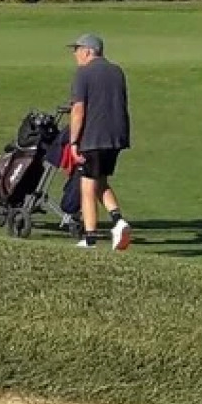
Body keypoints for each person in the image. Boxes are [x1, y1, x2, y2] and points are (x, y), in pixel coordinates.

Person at [65, 33, 132, 250]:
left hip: (93, 137)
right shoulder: (117, 71)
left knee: (87, 185)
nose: (75, 55)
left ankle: (90, 238)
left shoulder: (83, 73)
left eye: (77, 50)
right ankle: (118, 221)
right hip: (116, 137)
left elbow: (78, 110)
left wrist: (74, 142)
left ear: (88, 51)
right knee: (100, 180)